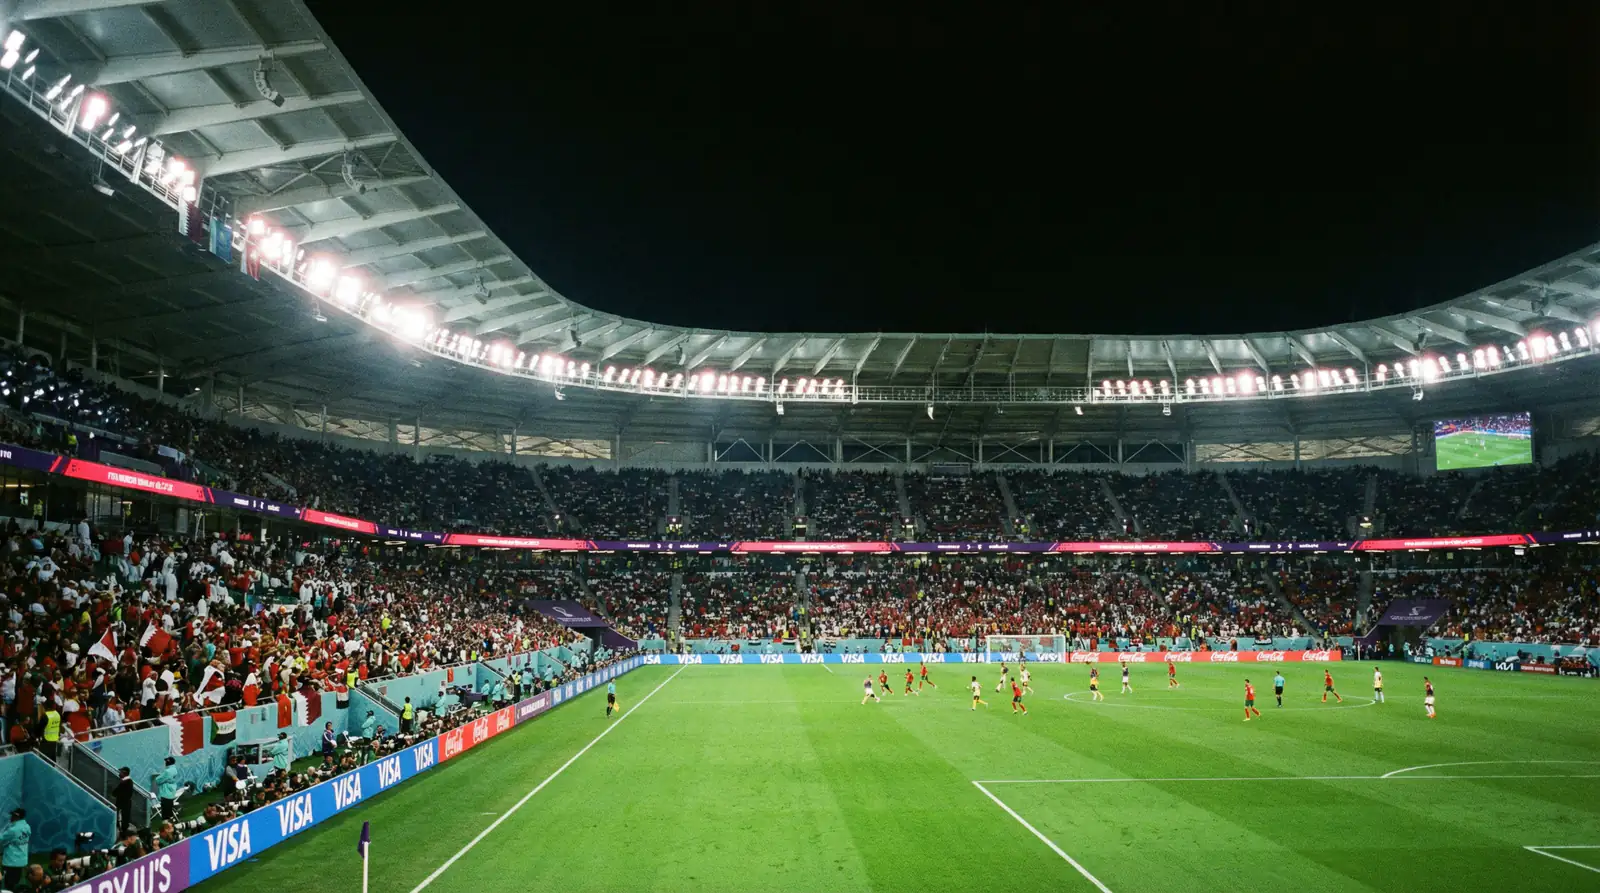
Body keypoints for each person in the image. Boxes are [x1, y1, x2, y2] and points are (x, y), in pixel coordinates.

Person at [0, 808, 29, 891]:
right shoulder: (27, 827)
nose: (11, 817)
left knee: (8, 885)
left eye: (12, 815)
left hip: (11, 862)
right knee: (17, 882)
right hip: (22, 861)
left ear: (17, 817)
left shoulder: (13, 830)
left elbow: (1, 839)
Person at [154, 757, 179, 822]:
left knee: (165, 814)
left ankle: (166, 824)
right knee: (169, 810)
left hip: (165, 793)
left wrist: (160, 776)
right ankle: (171, 823)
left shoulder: (167, 771)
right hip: (171, 792)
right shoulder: (174, 769)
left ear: (168, 762)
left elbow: (158, 780)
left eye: (165, 761)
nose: (164, 763)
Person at [112, 767, 136, 833]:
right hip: (122, 803)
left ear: (124, 773)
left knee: (124, 818)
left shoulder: (127, 782)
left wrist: (116, 794)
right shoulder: (125, 781)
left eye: (121, 772)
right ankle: (122, 830)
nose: (119, 774)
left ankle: (123, 832)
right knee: (121, 818)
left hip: (124, 804)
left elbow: (122, 793)